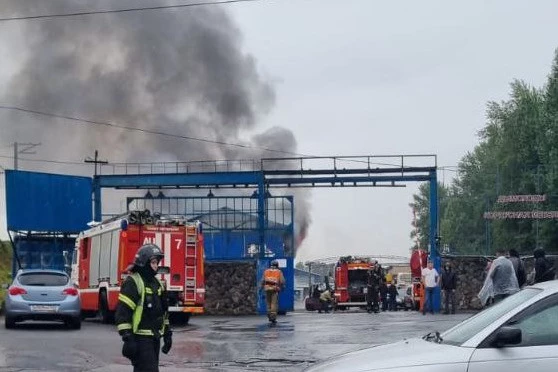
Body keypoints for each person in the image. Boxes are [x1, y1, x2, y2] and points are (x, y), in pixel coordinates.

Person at [115, 244, 172, 372]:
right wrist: (128, 338)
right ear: (144, 263)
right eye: (153, 262)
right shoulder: (133, 282)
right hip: (140, 339)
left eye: (157, 262)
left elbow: (163, 313)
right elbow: (122, 314)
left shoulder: (157, 284)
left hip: (154, 338)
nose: (156, 266)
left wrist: (167, 334)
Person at [261, 259, 285, 324]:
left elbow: (263, 280)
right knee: (274, 303)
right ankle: (273, 318)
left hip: (267, 289)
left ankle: (269, 315)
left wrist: (261, 288)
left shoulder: (266, 271)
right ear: (277, 265)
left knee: (268, 303)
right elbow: (282, 281)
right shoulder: (279, 272)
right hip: (274, 289)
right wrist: (283, 287)